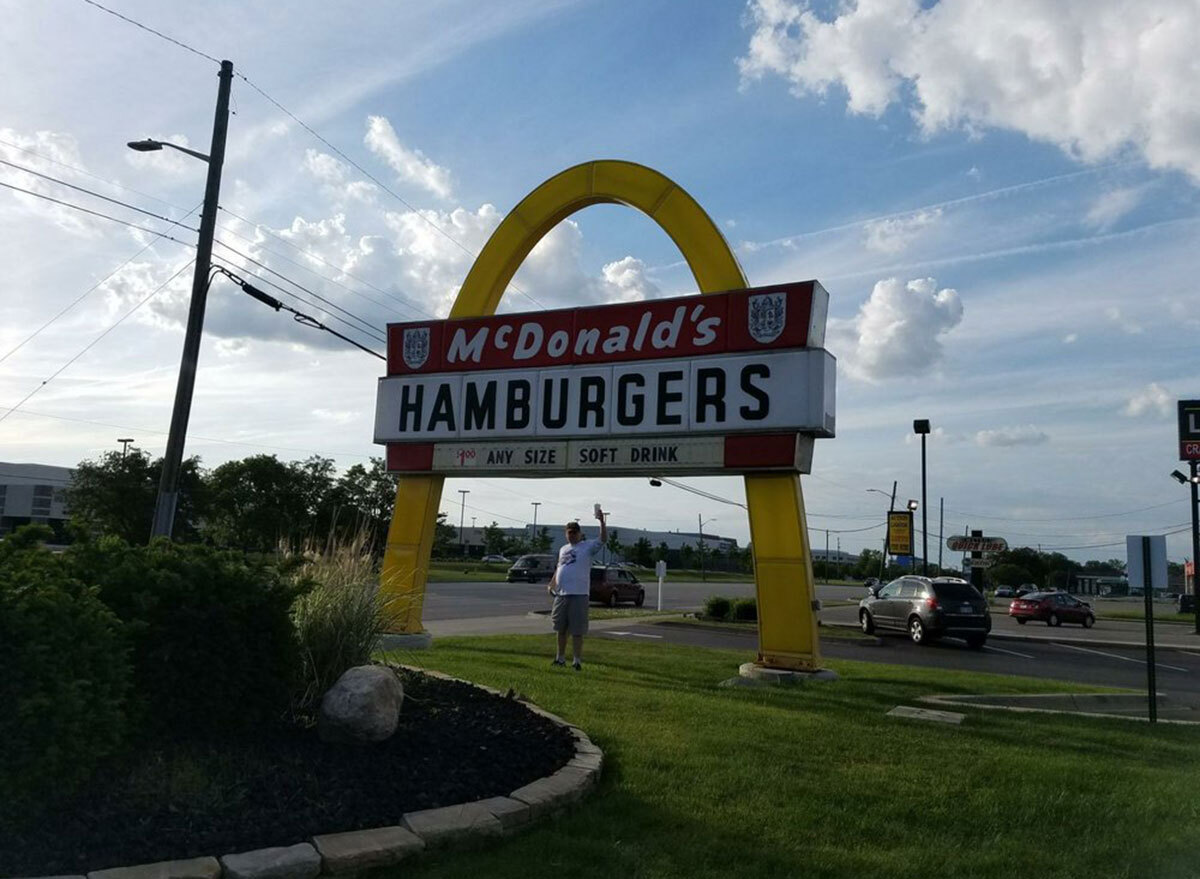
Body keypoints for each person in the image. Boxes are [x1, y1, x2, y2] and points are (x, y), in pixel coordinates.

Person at [547, 507, 606, 671]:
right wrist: (552, 583)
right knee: (560, 628)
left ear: (580, 534)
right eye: (569, 532)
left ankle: (577, 661)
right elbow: (560, 567)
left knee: (577, 630)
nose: (571, 535)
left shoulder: (587, 546)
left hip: (579, 594)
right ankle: (560, 658)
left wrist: (601, 521)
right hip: (562, 594)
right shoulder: (563, 549)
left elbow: (603, 539)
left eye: (574, 532)